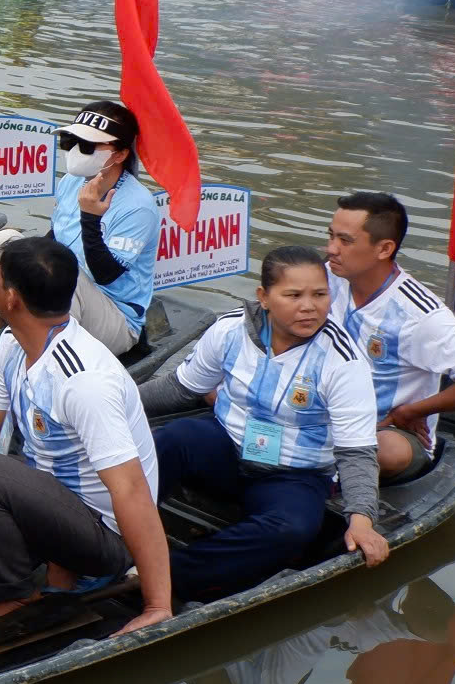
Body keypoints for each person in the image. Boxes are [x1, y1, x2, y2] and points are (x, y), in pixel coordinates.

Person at [0, 236, 174, 635]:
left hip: (105, 540)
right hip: (57, 507)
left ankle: (8, 594)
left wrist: (157, 604)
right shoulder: (12, 346)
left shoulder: (83, 381)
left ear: (11, 299)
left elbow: (131, 491)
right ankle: (44, 570)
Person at [143, 247, 385, 603]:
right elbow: (181, 388)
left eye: (320, 295)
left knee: (294, 529)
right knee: (171, 439)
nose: (309, 306)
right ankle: (114, 540)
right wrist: (117, 403)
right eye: (294, 295)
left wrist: (362, 517)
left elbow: (357, 452)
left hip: (292, 475)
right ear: (264, 298)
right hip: (226, 448)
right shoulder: (229, 331)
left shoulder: (343, 362)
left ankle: (165, 575)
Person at [0, 100, 159, 372]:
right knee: (3, 244)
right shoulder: (73, 180)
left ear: (120, 155)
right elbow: (55, 237)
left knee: (63, 275)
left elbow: (106, 274)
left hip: (114, 317)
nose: (75, 151)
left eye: (87, 146)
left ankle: (43, 364)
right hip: (61, 299)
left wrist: (90, 217)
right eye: (70, 141)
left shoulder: (138, 206)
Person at [323, 191, 455, 480]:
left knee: (387, 451)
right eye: (331, 236)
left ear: (384, 249)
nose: (331, 248)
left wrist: (410, 411)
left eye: (344, 241)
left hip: (385, 429)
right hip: (324, 413)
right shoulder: (326, 277)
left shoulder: (418, 314)